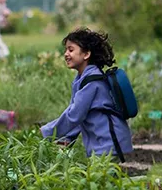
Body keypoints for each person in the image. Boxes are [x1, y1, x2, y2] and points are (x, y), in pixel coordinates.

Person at [41, 28, 133, 159]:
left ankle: (158, 180)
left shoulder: (92, 81)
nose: (66, 54)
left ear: (86, 54)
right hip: (102, 144)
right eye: (66, 50)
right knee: (100, 179)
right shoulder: (82, 79)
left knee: (100, 179)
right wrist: (67, 139)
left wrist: (48, 132)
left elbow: (74, 115)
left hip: (108, 142)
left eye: (71, 50)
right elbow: (79, 115)